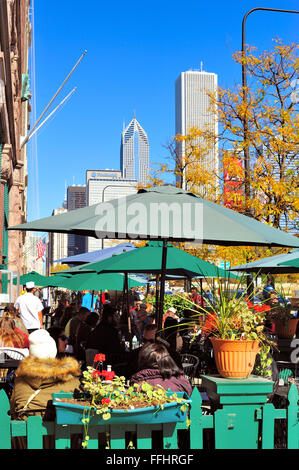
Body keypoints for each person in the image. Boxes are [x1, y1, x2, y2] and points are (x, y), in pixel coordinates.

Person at [9, 329, 81, 448]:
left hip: (27, 442)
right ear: (53, 352)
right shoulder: (71, 381)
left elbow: (12, 411)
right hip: (63, 442)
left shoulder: (20, 381)